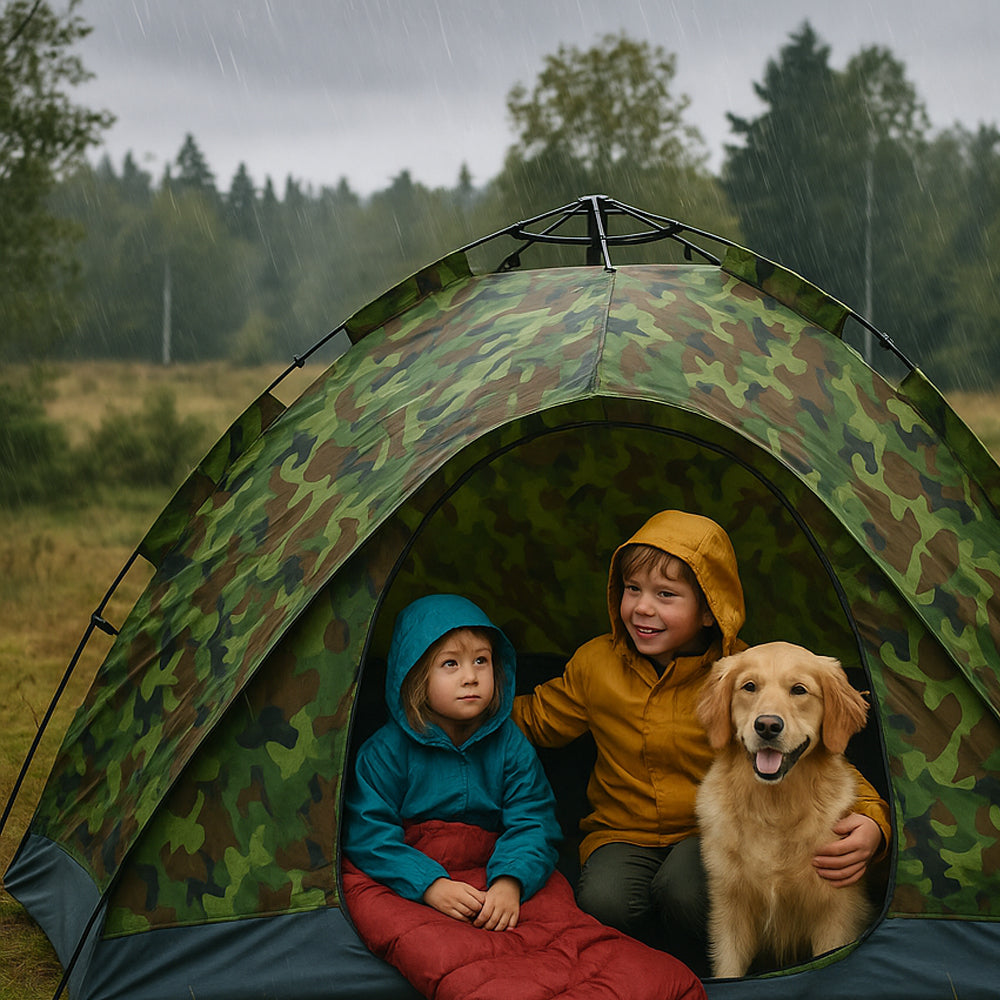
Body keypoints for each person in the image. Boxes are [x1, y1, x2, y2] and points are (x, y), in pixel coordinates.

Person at [511, 509, 890, 973]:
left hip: (711, 832)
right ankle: (643, 975)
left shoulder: (744, 673)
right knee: (604, 901)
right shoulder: (595, 663)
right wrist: (466, 711)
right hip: (620, 830)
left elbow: (816, 758)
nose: (643, 608)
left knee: (688, 892)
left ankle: (709, 977)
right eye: (633, 590)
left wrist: (874, 821)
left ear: (710, 609)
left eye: (666, 595)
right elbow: (540, 718)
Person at [342, 593, 561, 931]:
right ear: (416, 676)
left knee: (556, 923)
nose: (471, 677)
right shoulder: (385, 752)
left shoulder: (510, 744)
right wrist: (429, 885)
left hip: (494, 867)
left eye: (481, 661)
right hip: (411, 873)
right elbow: (369, 835)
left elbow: (534, 820)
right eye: (451, 664)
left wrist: (510, 882)